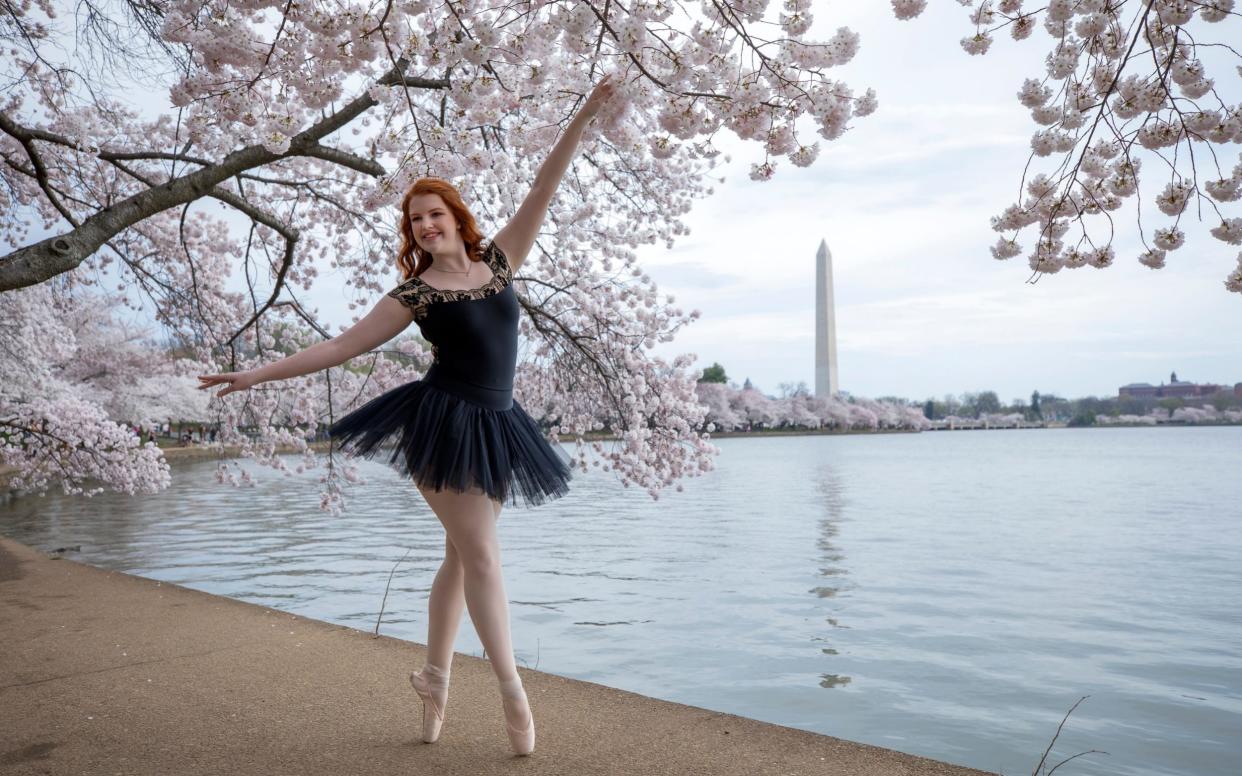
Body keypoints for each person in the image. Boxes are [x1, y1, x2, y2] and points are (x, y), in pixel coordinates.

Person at [196, 75, 616, 757]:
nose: (424, 223)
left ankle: (434, 677)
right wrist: (256, 373)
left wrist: (585, 113)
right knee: (481, 554)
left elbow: (544, 185)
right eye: (414, 218)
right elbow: (342, 344)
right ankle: (511, 686)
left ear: (456, 215)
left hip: (501, 425)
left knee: (459, 555)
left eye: (433, 212)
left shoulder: (501, 262)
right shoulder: (416, 294)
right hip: (442, 421)